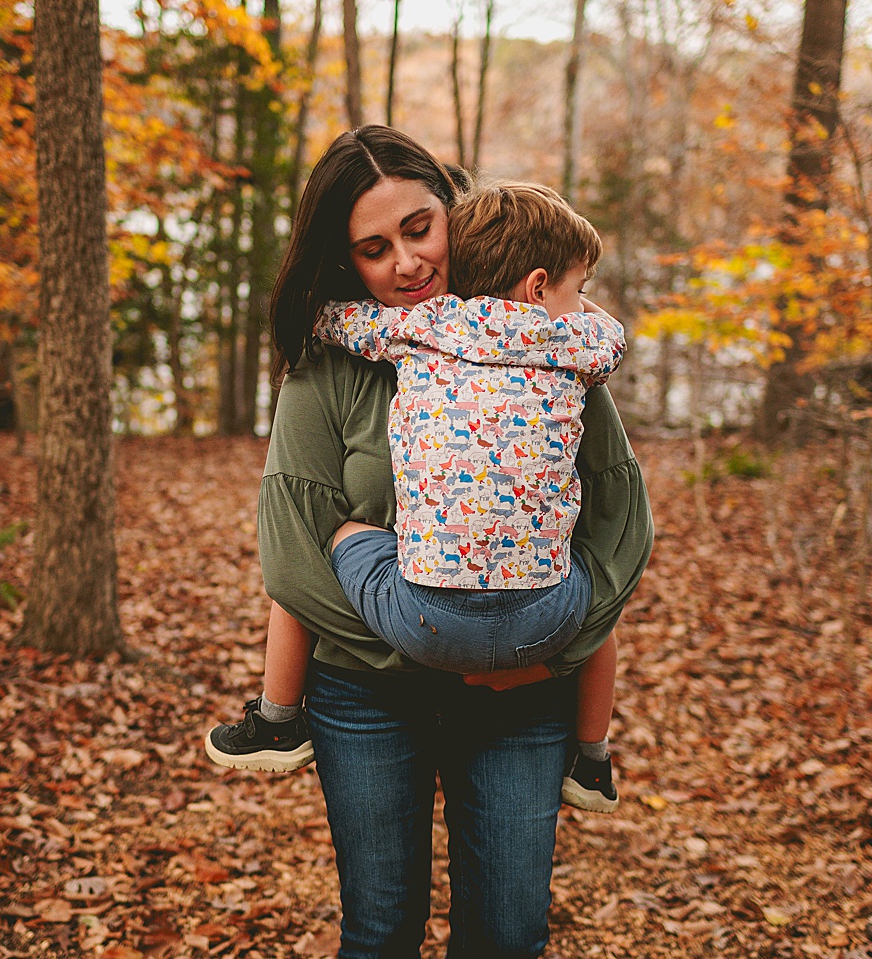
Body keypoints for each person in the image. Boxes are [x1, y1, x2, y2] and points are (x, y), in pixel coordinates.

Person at [209, 126, 652, 958]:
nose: (407, 262)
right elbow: (296, 557)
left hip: (519, 692)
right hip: (366, 697)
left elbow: (619, 531)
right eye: (375, 249)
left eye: (420, 228)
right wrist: (434, 649)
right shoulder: (329, 367)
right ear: (349, 264)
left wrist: (545, 654)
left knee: (510, 933)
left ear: (457, 211)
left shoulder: (544, 344)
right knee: (380, 932)